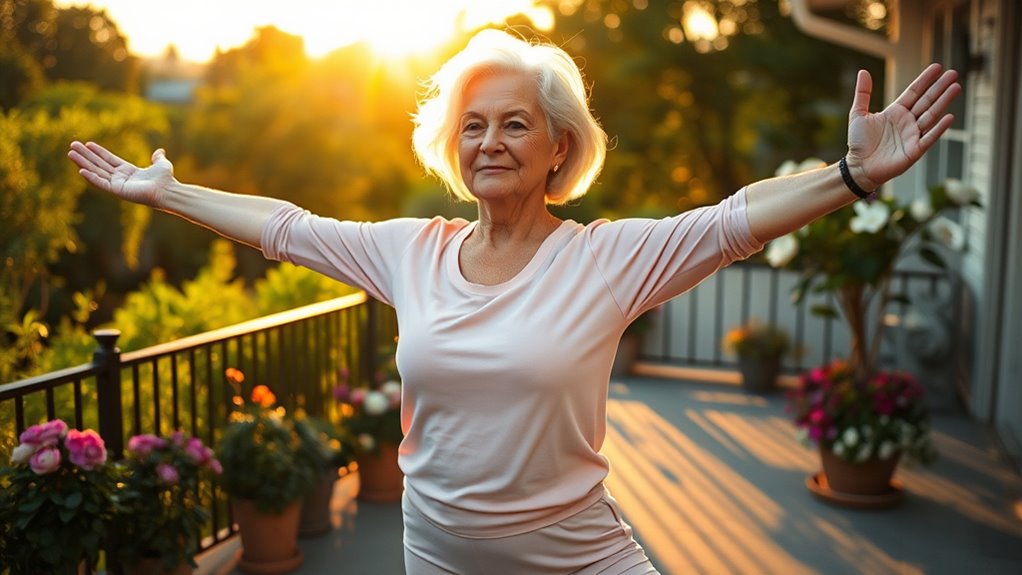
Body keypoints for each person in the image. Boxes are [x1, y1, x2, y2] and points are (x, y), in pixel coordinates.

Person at [68, 29, 959, 575]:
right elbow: (285, 227)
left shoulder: (605, 259)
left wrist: (848, 176)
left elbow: (733, 222)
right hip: (440, 553)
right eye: (473, 124)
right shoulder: (409, 253)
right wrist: (169, 194)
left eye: (514, 122)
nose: (489, 140)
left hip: (578, 556)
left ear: (559, 150)